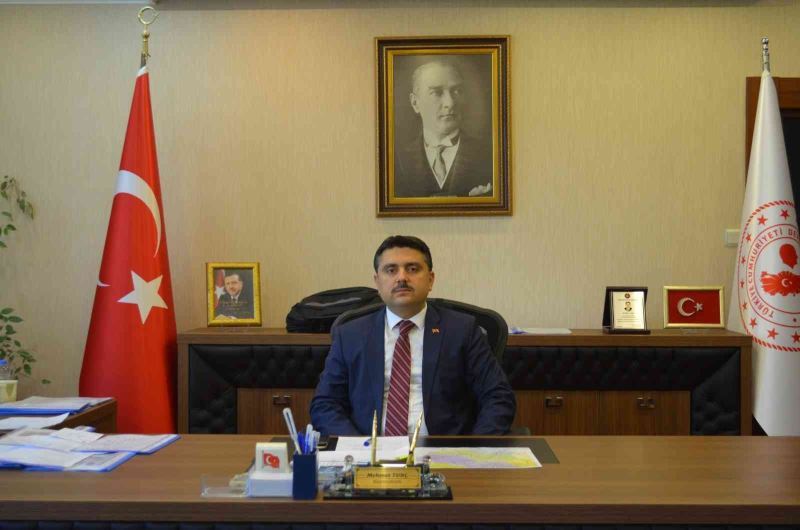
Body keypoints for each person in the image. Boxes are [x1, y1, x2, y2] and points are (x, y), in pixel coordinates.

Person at [310, 235, 515, 436]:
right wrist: (358, 449)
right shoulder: (351, 335)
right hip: (370, 451)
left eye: (413, 269)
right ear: (377, 282)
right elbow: (325, 404)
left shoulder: (462, 330)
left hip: (443, 451)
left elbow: (498, 397)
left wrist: (474, 450)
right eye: (391, 270)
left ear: (430, 279)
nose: (402, 278)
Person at [394, 60, 494, 198]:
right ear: (415, 103)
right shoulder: (396, 160)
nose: (450, 103)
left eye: (456, 91)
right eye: (437, 93)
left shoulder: (490, 155)